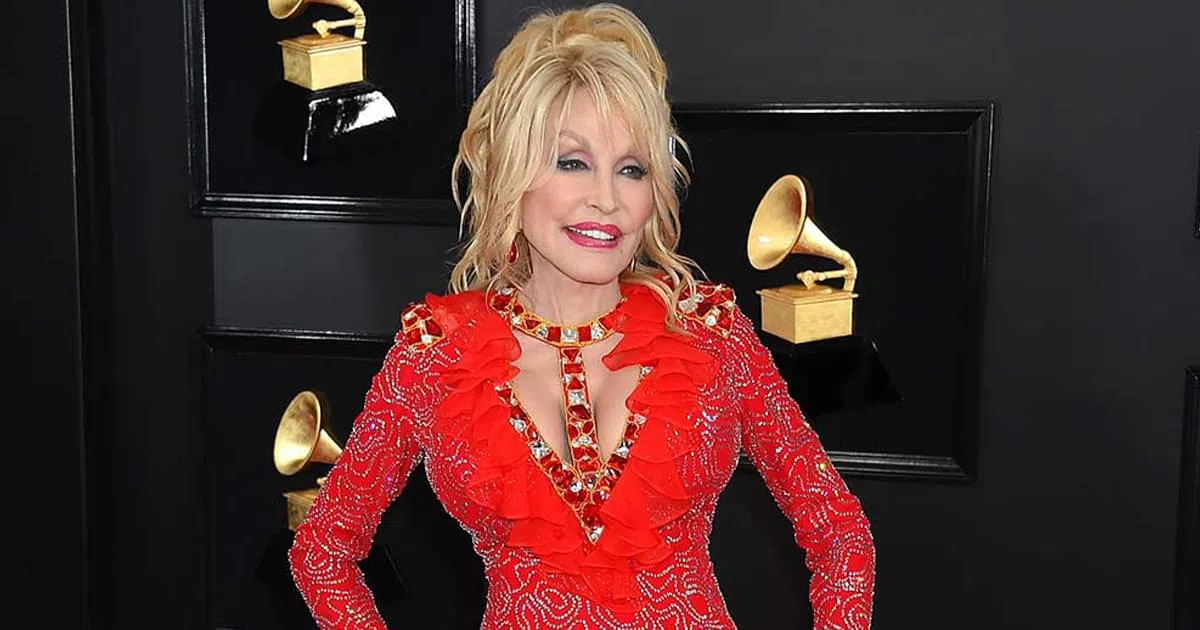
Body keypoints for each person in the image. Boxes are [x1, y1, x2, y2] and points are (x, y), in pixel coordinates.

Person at [289, 4, 875, 628]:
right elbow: (323, 551)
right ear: (512, 174)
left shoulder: (710, 335)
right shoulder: (436, 352)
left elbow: (840, 534)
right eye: (572, 162)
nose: (607, 198)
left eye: (632, 169)